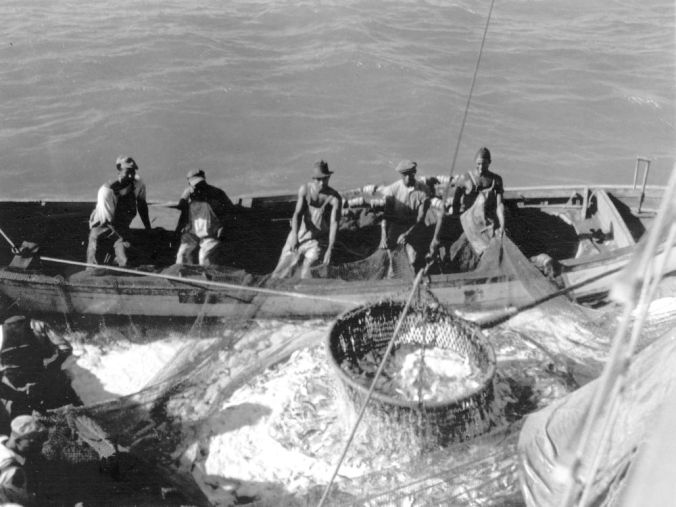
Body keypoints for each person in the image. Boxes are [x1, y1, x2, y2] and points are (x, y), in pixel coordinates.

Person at [430, 146, 505, 271]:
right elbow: (456, 198)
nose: (481, 168)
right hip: (469, 220)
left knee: (497, 242)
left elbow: (499, 205)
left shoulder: (496, 180)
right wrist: (454, 212)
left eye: (484, 164)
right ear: (475, 163)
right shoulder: (466, 178)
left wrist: (502, 225)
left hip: (487, 220)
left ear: (489, 163)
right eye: (478, 164)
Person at [0, 316, 77, 430]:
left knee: (22, 427)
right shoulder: (37, 325)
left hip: (15, 386)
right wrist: (53, 366)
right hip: (41, 379)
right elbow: (65, 348)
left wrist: (15, 394)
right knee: (62, 418)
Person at [271, 160, 342, 279]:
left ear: (329, 178)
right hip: (299, 233)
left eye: (325, 179)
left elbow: (334, 223)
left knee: (308, 270)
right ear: (313, 179)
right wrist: (294, 236)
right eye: (318, 179)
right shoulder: (305, 190)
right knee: (282, 268)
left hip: (317, 239)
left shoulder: (335, 198)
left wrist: (330, 247)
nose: (321, 183)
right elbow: (297, 214)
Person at [86, 156, 152, 268]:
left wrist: (148, 228)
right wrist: (122, 241)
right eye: (128, 172)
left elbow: (142, 206)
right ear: (119, 172)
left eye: (133, 172)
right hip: (102, 226)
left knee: (126, 259)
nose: (131, 175)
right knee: (94, 261)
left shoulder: (138, 184)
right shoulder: (106, 191)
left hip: (122, 226)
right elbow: (109, 222)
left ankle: (117, 262)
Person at [378, 159, 432, 277]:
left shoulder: (423, 191)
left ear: (414, 173)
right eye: (405, 175)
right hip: (396, 226)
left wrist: (408, 234)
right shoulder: (392, 190)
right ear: (401, 175)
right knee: (392, 260)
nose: (408, 178)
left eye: (411, 174)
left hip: (415, 227)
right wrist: (383, 235)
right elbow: (386, 215)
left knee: (413, 258)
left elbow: (421, 218)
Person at [174, 169, 235, 266]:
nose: (198, 186)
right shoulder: (189, 195)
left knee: (204, 257)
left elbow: (230, 211)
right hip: (192, 232)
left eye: (201, 183)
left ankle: (207, 277)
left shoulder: (216, 193)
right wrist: (184, 196)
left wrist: (223, 227)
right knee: (182, 255)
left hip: (210, 232)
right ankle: (183, 277)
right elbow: (181, 208)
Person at [0, 415, 48, 506]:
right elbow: (21, 501)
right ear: (17, 440)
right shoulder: (13, 471)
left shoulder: (1, 438)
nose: (37, 446)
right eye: (32, 442)